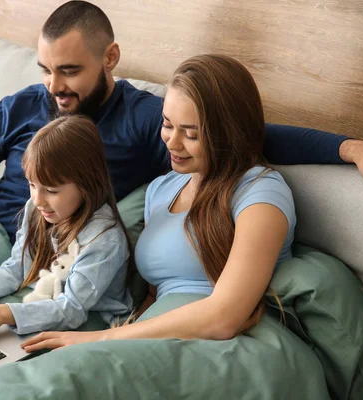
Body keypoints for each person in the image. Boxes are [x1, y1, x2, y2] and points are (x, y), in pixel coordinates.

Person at [0, 1, 363, 282]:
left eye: (70, 70)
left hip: (6, 246)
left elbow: (239, 133)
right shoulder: (24, 104)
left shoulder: (147, 121)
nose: (54, 86)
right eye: (47, 70)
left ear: (111, 57)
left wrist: (349, 147)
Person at [20, 54, 300, 351]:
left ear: (228, 133)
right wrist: (114, 339)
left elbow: (224, 317)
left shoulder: (259, 192)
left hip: (225, 342)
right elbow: (153, 296)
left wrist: (101, 339)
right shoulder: (161, 189)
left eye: (191, 133)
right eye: (168, 125)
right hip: (152, 335)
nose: (172, 142)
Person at [0, 115, 133, 352]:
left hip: (91, 325)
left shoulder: (104, 239)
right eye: (32, 184)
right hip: (43, 300)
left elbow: (72, 309)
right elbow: (18, 267)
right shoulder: (38, 210)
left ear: (87, 184)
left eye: (51, 190)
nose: (37, 199)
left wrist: (2, 313)